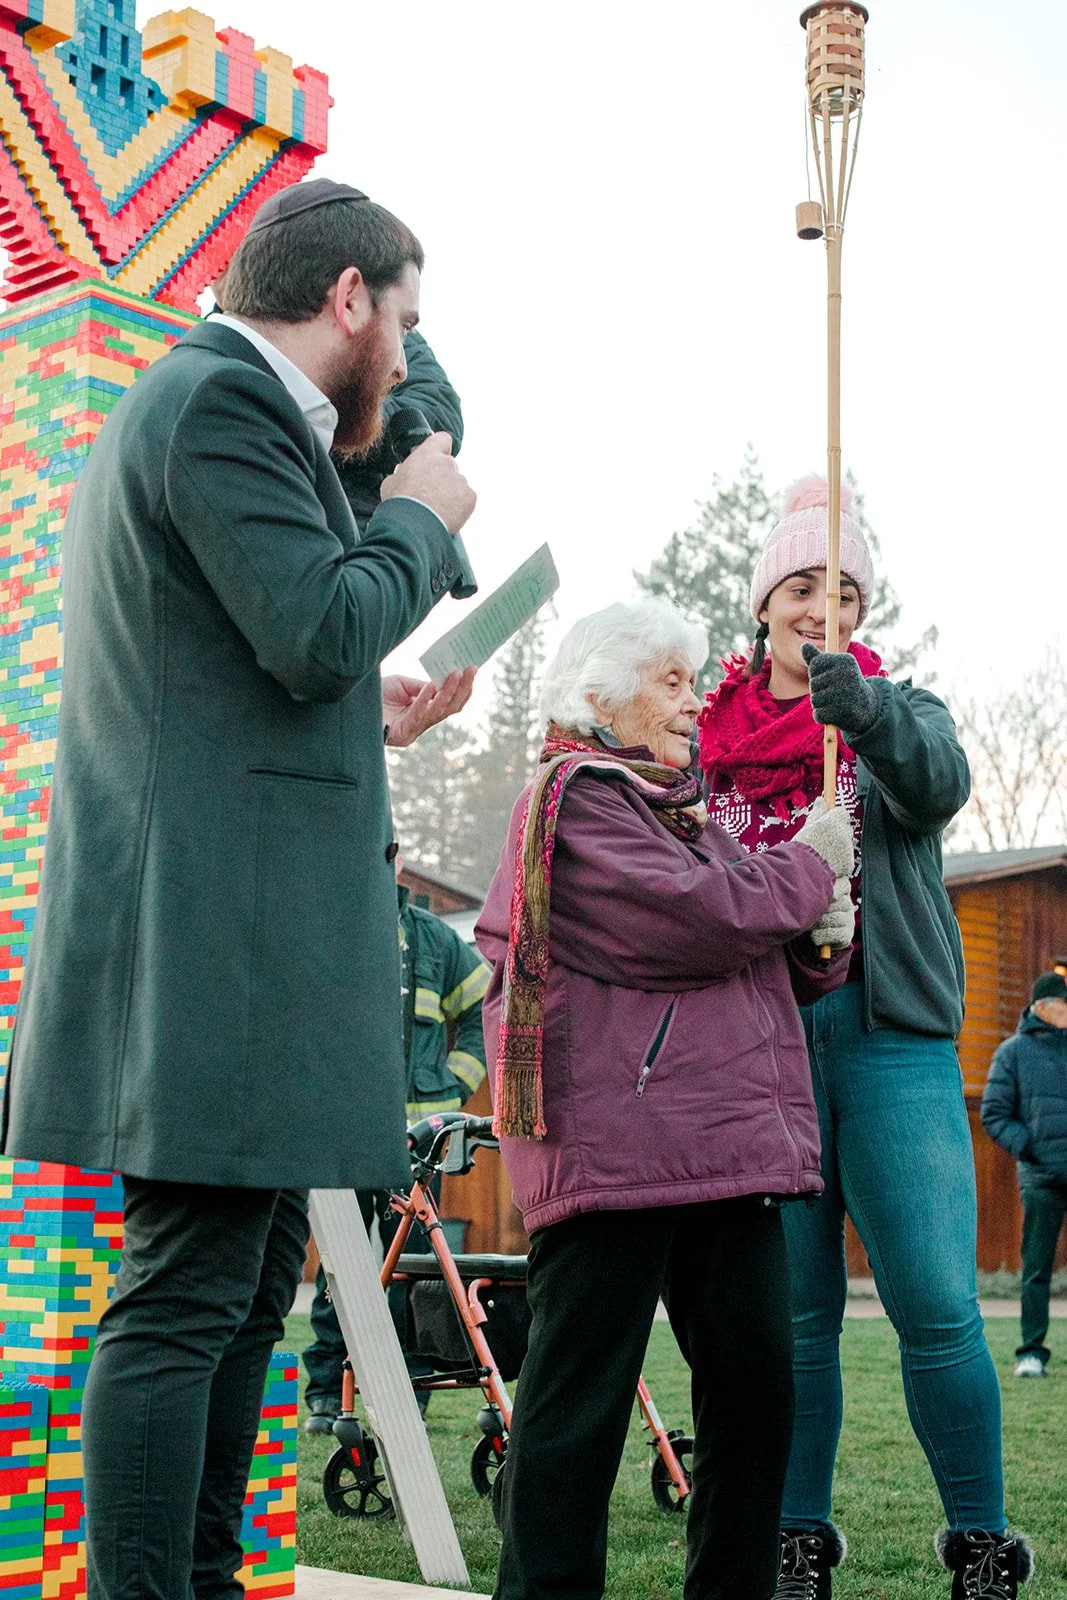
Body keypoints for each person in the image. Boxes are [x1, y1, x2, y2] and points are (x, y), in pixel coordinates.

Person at [0, 177, 478, 1600]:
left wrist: (371, 709)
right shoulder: (214, 401)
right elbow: (318, 618)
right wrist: (417, 512)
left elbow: (273, 659)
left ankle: (203, 1578)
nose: (403, 350)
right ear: (345, 302)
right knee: (183, 1299)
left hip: (253, 933)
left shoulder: (239, 407)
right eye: (398, 318)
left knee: (249, 1295)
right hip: (213, 940)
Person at [475, 599, 856, 1600]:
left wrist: (823, 931)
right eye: (671, 682)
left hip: (717, 1143)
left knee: (756, 1396)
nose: (694, 704)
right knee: (575, 1413)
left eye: (693, 681)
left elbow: (758, 953)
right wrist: (807, 864)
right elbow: (695, 921)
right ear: (599, 695)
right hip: (616, 1150)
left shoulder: (678, 813)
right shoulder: (576, 801)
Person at [696, 478, 1031, 1599]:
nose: (819, 610)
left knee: (936, 1302)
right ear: (762, 604)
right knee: (795, 1319)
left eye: (841, 592)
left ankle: (977, 1541)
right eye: (799, 586)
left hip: (890, 1043)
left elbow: (937, 786)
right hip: (766, 1051)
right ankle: (795, 1542)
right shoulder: (703, 734)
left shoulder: (902, 709)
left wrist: (867, 716)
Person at [303, 858, 490, 1429]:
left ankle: (411, 1388)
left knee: (412, 1268)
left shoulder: (435, 939)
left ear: (398, 857)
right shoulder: (332, 923)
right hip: (344, 1128)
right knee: (343, 1261)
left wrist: (455, 1086)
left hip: (415, 1145)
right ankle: (326, 1392)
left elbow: (486, 1007)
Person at [981, 968, 1067, 1378]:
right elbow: (993, 1114)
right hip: (1042, 1181)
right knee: (1037, 1270)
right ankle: (1030, 1353)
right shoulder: (1012, 1052)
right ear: (1042, 1009)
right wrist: (1030, 1146)